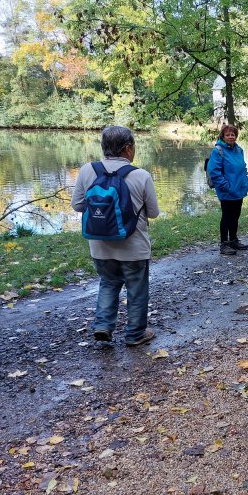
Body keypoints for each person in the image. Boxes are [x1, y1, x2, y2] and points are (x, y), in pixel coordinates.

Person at [71, 125, 160, 346]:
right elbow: (154, 213)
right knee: (137, 290)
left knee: (108, 283)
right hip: (134, 247)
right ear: (128, 148)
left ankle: (103, 326)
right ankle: (135, 334)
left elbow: (77, 205)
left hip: (100, 245)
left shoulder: (87, 171)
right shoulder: (141, 175)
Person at [207, 124, 248, 256]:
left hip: (239, 190)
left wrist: (245, 183)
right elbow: (214, 172)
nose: (231, 137)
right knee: (226, 217)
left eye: (233, 134)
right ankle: (224, 244)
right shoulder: (218, 151)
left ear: (236, 136)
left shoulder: (239, 150)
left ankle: (233, 240)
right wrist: (226, 186)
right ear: (223, 136)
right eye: (228, 135)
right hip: (227, 191)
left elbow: (243, 168)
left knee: (235, 216)